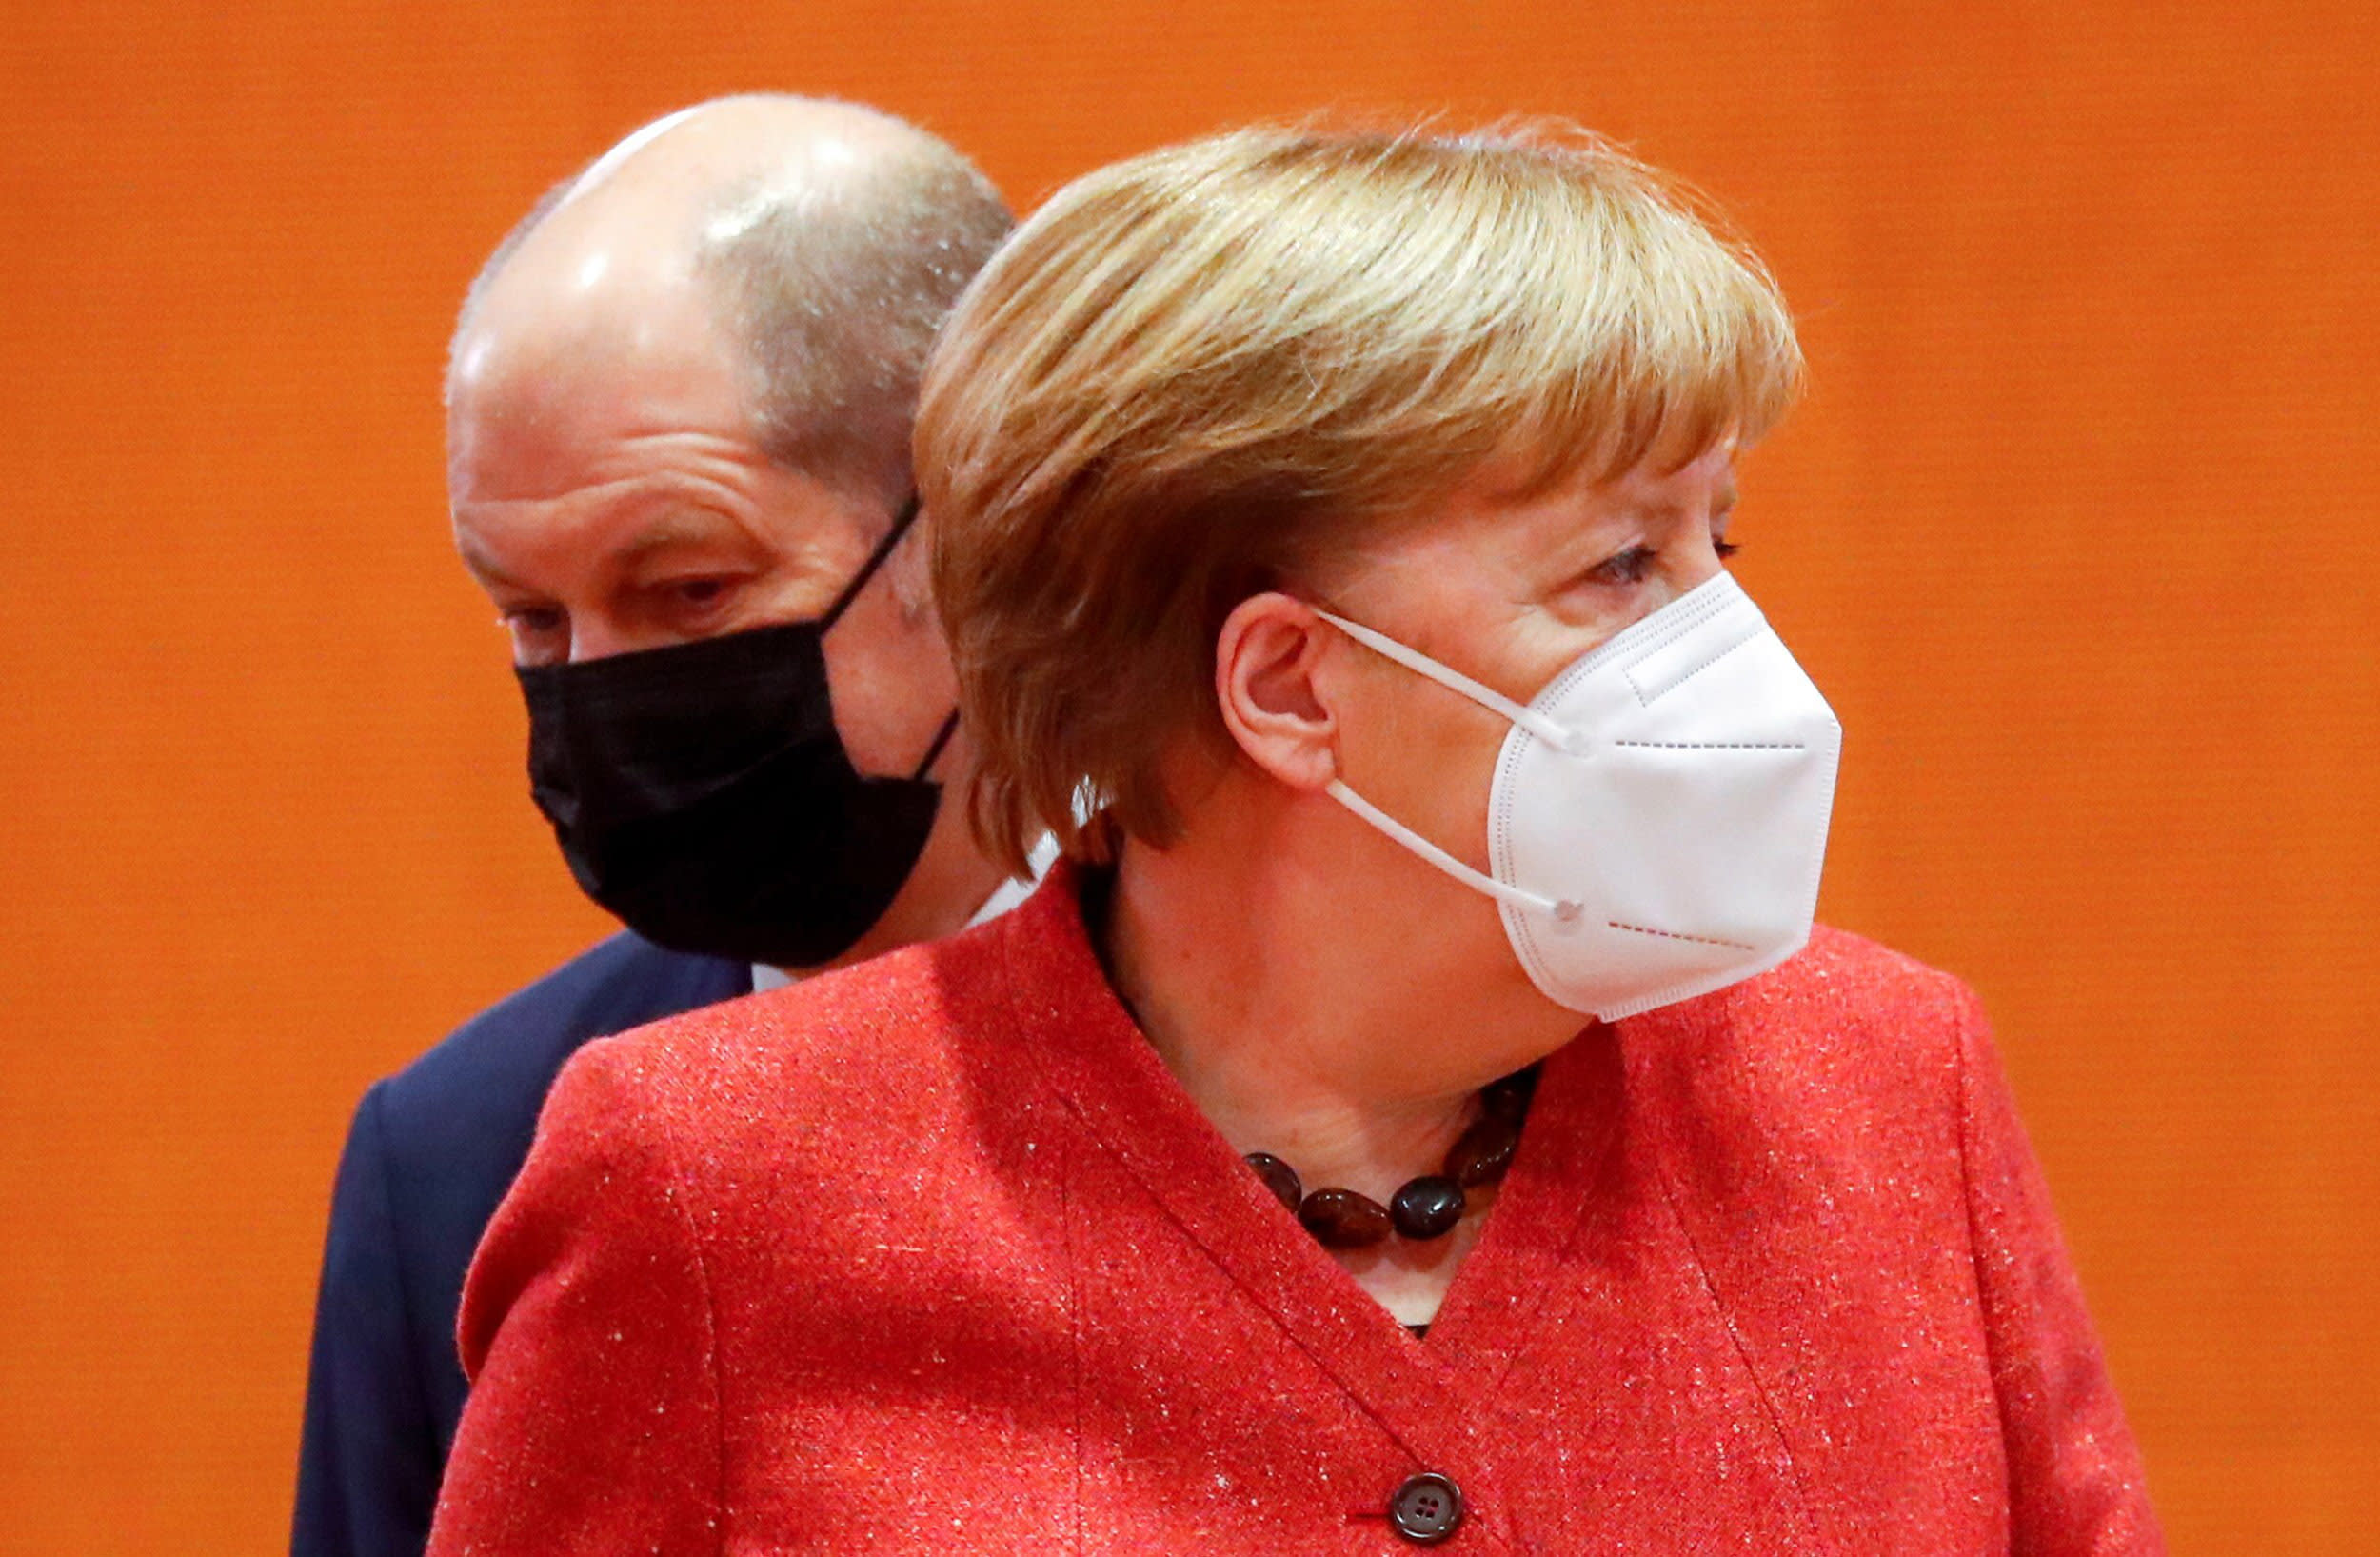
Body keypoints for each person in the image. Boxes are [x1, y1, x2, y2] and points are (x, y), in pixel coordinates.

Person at [429, 125, 2163, 1554]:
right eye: (1621, 567)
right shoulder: (716, 1189)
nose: (1734, 656)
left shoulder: (1886, 1091)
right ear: (1289, 684)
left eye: (1722, 540)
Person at [291, 96, 1023, 1557]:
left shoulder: (1312, 1064)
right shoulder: (465, 1158)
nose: (606, 700)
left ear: (988, 521)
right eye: (533, 618)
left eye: (692, 591)